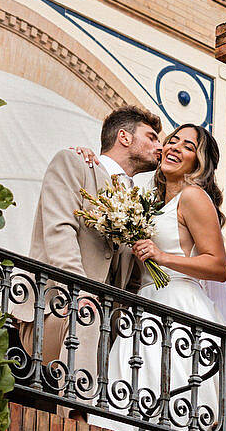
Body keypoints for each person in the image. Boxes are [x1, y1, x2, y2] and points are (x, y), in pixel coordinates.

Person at [23, 106, 162, 399]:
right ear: (124, 137)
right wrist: (79, 290)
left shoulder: (141, 203)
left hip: (109, 328)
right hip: (54, 312)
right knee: (87, 314)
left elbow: (133, 280)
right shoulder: (74, 164)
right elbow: (59, 232)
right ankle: (77, 424)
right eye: (151, 138)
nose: (159, 147)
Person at [105, 123, 226, 431]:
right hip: (145, 306)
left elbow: (217, 266)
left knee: (172, 401)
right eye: (172, 141)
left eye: (188, 146)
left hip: (179, 303)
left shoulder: (193, 197)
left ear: (198, 162)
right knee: (131, 395)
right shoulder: (149, 202)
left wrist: (162, 257)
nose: (174, 147)